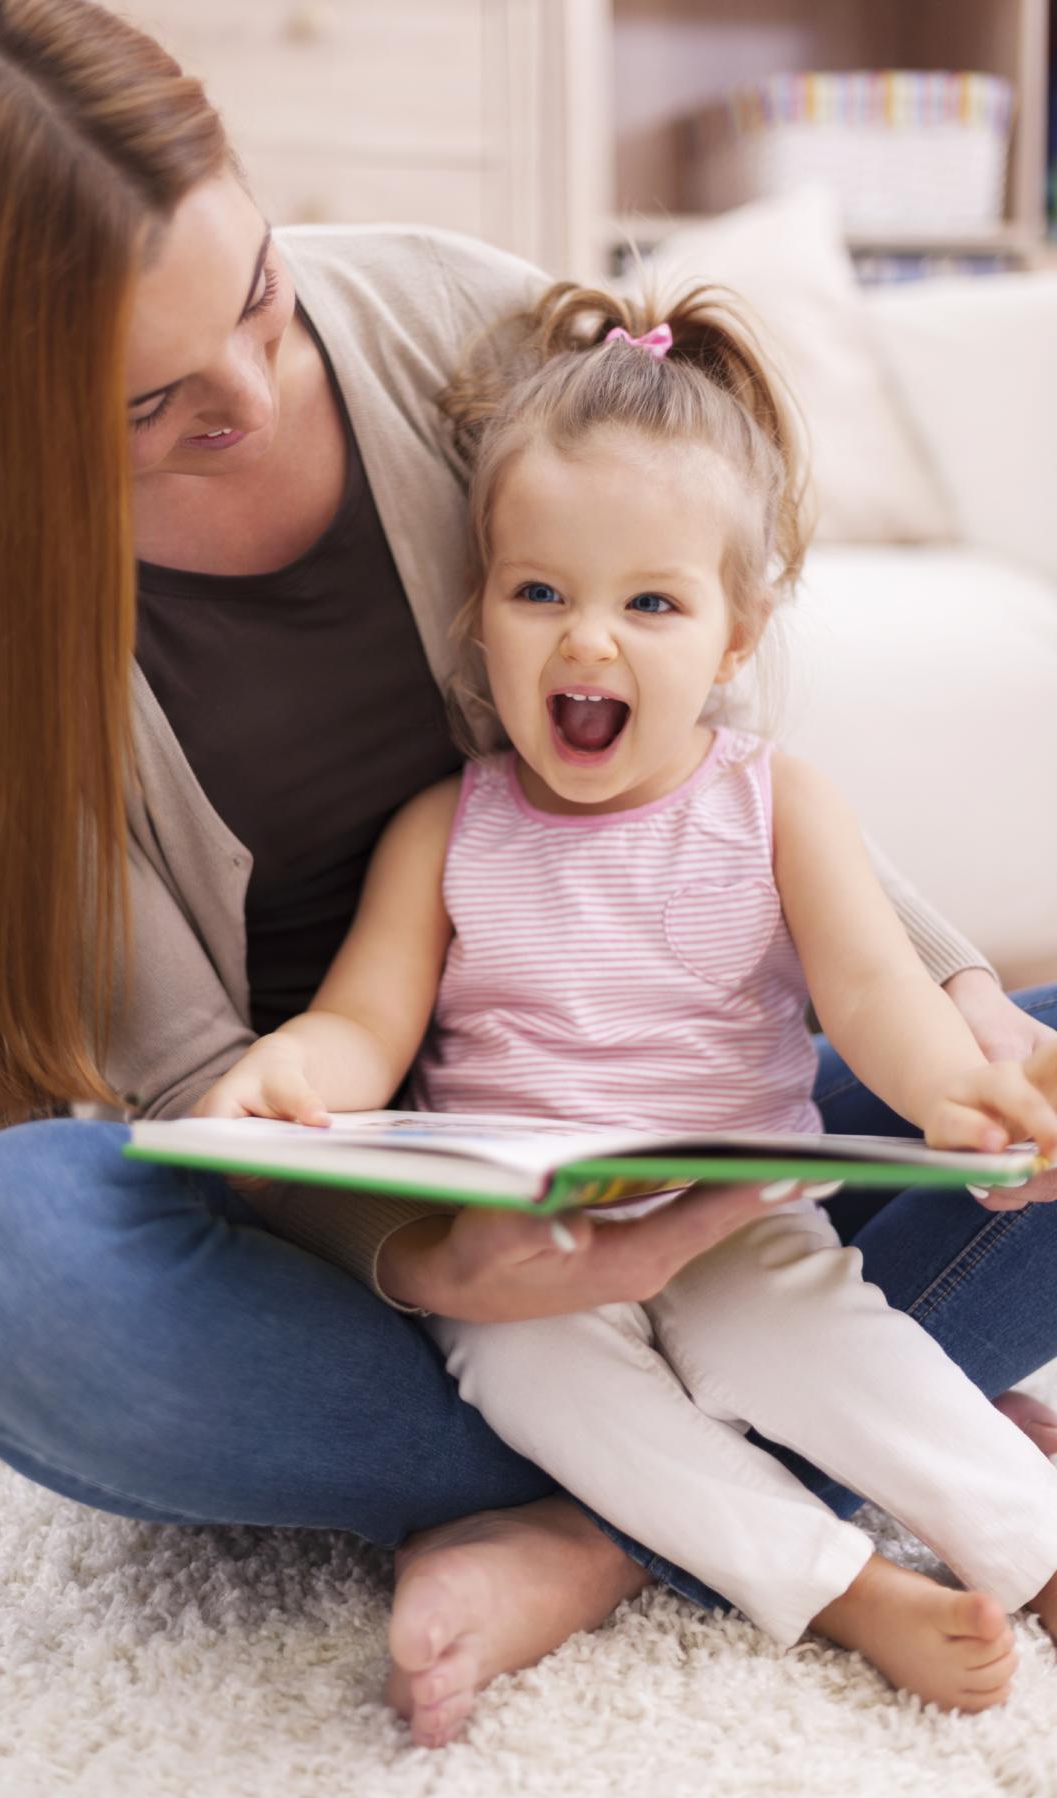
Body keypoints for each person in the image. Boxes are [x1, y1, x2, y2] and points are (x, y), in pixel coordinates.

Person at [0, 0, 1053, 1754]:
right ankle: (705, 1480)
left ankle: (606, 1530)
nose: (256, 399)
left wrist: (965, 1035)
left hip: (698, 1126)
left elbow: (742, 797)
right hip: (366, 1231)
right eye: (150, 406)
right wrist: (436, 1256)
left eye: (257, 293)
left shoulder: (470, 332)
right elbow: (240, 1085)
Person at [192, 284, 1057, 1739]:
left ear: (733, 635)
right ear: (478, 615)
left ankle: (1031, 1534)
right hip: (536, 1247)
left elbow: (874, 993)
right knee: (540, 1384)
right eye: (541, 593)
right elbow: (364, 1022)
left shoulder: (777, 802)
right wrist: (286, 1071)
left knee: (822, 1354)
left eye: (650, 603)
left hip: (738, 1218)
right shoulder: (444, 827)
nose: (588, 642)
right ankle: (842, 1584)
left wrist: (958, 1093)